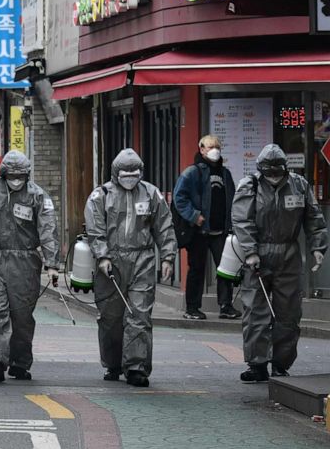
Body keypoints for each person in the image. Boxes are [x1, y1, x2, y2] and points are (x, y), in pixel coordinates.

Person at [232, 144, 328, 382]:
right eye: (269, 171)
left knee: (289, 312)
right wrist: (251, 251)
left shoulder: (299, 185)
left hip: (289, 254)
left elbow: (314, 218)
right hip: (259, 254)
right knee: (256, 311)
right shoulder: (250, 186)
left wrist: (318, 248)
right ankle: (257, 364)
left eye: (278, 170)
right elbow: (242, 220)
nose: (274, 175)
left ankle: (280, 363)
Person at [0, 151, 59, 383]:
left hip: (26, 260)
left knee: (21, 315)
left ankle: (20, 362)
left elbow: (48, 230)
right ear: (4, 174)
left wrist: (52, 263)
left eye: (21, 176)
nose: (16, 180)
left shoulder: (37, 196)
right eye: (12, 175)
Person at [84, 148, 176, 388]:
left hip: (142, 259)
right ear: (116, 173)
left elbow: (164, 226)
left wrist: (167, 256)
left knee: (139, 313)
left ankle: (136, 367)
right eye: (125, 173)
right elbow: (95, 229)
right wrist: (102, 256)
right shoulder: (101, 195)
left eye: (134, 173)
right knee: (111, 317)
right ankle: (113, 363)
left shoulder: (151, 194)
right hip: (111, 262)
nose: (129, 177)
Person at [174, 135, 240, 320]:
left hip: (221, 231)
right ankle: (192, 308)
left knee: (226, 269)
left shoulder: (225, 173)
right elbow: (179, 198)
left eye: (217, 146)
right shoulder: (192, 172)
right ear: (201, 149)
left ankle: (226, 306)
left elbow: (232, 199)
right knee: (196, 269)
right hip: (199, 231)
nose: (214, 149)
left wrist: (232, 223)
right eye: (211, 146)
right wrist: (195, 216)